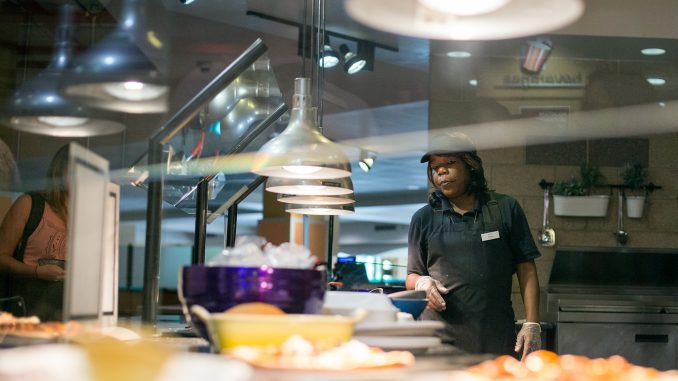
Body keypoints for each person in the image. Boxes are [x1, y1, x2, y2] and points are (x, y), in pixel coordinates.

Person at [406, 132, 541, 360]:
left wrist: (532, 322)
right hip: (437, 340)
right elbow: (411, 275)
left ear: (471, 166)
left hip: (493, 339)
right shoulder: (423, 218)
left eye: (450, 163)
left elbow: (526, 268)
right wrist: (422, 282)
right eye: (435, 167)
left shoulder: (505, 209)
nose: (441, 172)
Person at [0, 144, 69, 321]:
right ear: (60, 172)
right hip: (26, 314)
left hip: (67, 318)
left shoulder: (88, 216)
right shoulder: (29, 204)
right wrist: (36, 271)